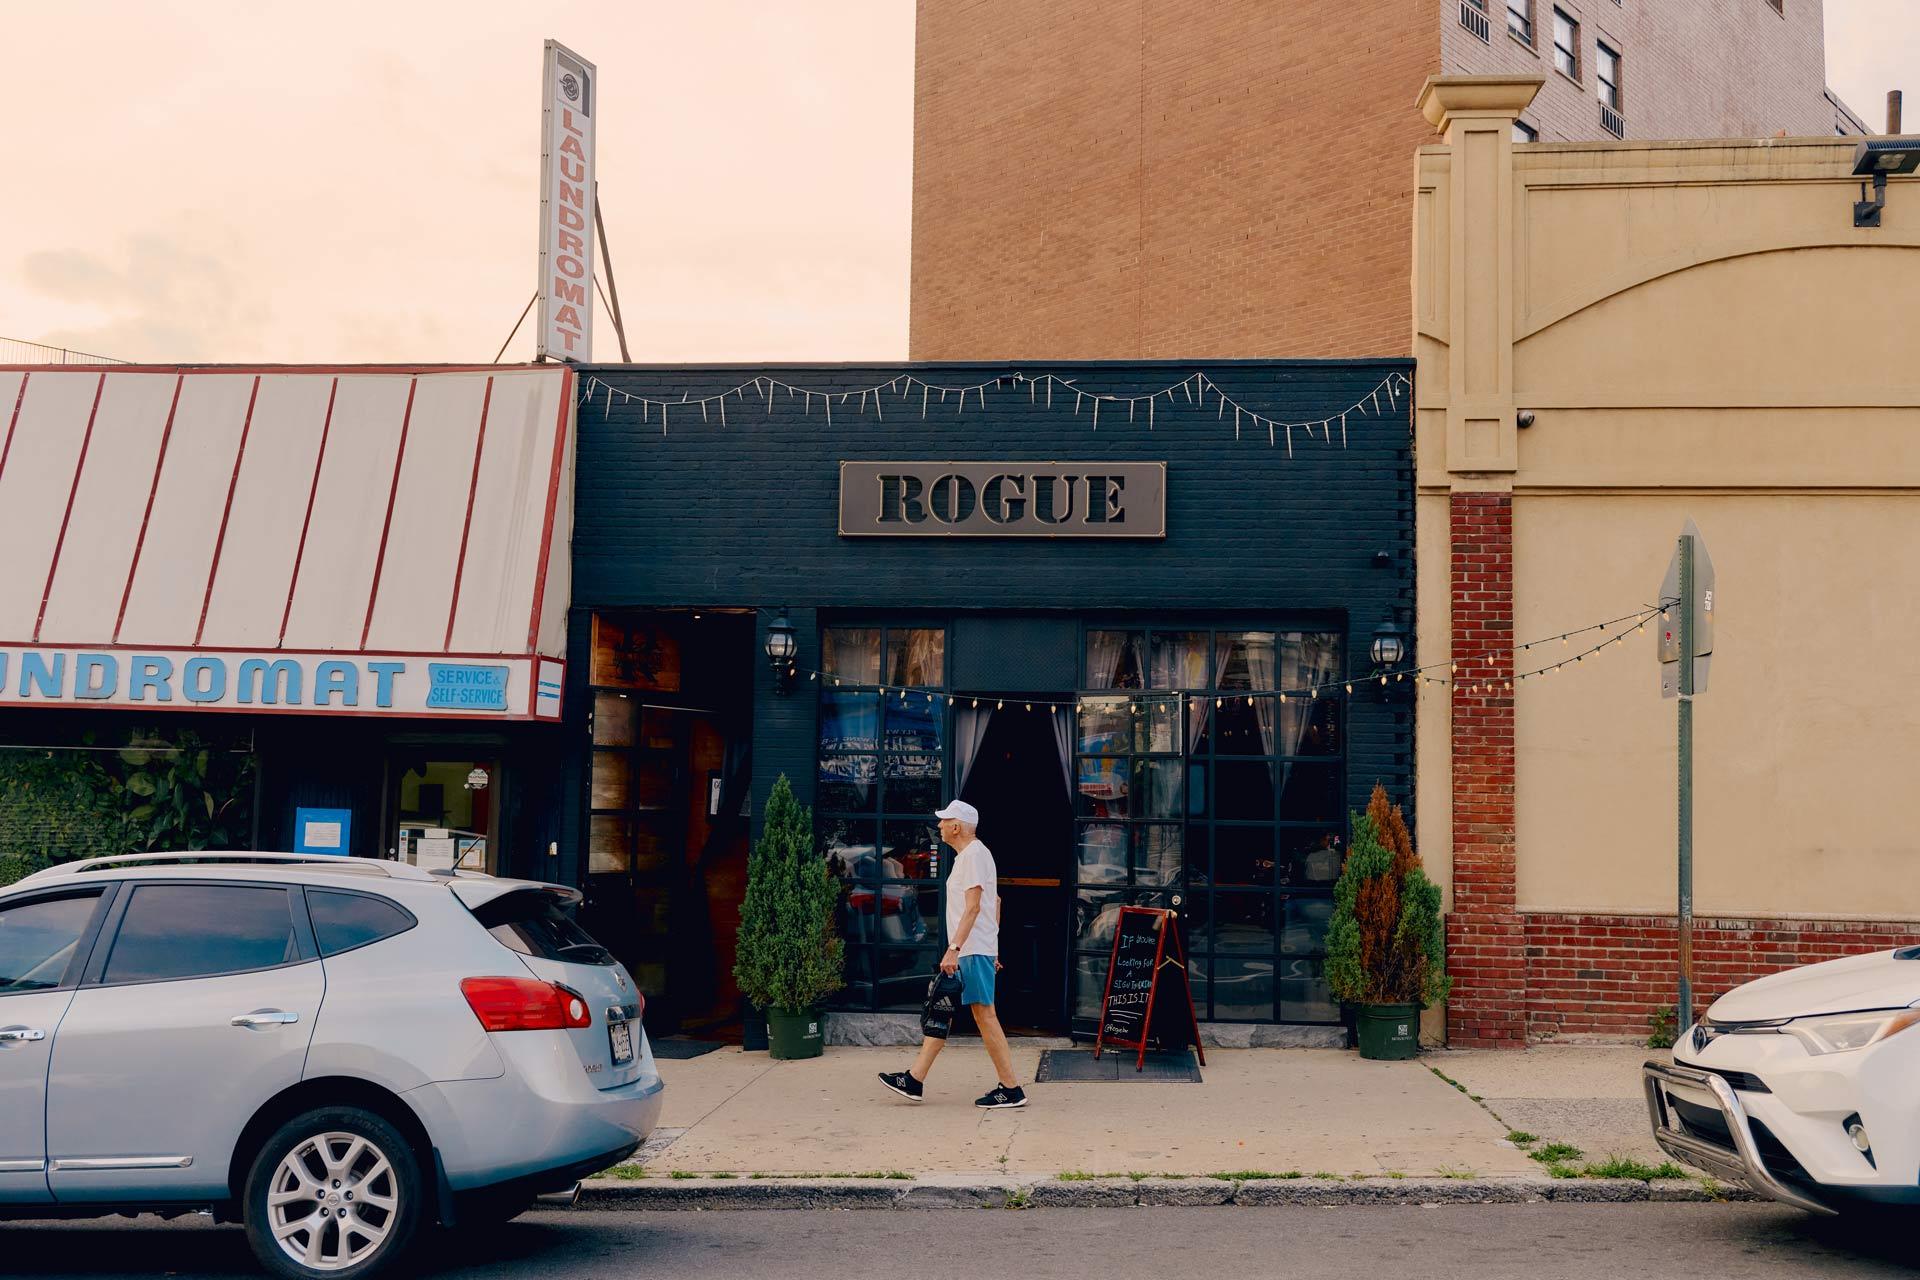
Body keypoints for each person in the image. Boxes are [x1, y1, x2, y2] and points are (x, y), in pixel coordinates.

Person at [878, 800, 1027, 1108]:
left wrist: (954, 949)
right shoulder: (971, 856)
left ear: (957, 826)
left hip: (970, 950)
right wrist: (991, 946)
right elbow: (995, 902)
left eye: (944, 821)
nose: (940, 826)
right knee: (941, 1009)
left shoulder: (973, 855)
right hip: (974, 948)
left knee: (985, 1015)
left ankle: (1011, 1088)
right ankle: (914, 1079)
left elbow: (975, 907)